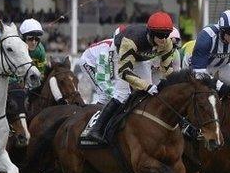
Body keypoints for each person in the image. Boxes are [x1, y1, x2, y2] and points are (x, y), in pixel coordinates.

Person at [87, 12, 175, 143]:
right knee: (122, 94)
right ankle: (96, 129)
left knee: (148, 94)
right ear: (151, 33)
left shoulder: (167, 43)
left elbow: (167, 71)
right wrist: (146, 86)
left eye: (167, 35)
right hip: (119, 53)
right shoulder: (131, 39)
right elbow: (124, 72)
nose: (164, 39)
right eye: (160, 35)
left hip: (142, 58)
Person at [189, 10, 230, 96]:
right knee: (203, 95)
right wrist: (219, 86)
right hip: (198, 66)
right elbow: (198, 72)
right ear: (222, 31)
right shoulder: (207, 37)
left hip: (222, 66)